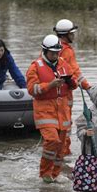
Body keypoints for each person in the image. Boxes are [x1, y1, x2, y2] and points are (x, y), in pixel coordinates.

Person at [26, 35, 77, 184]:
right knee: (52, 140)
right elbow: (31, 89)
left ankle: (55, 174)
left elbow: (72, 84)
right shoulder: (35, 67)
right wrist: (49, 85)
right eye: (52, 53)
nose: (55, 55)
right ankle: (45, 174)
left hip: (62, 111)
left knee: (61, 146)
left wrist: (71, 82)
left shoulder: (63, 64)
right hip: (45, 110)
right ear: (45, 51)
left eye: (57, 53)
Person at [54, 19, 92, 157]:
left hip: (54, 96)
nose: (73, 36)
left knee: (57, 127)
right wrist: (88, 87)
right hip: (64, 95)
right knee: (65, 126)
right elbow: (74, 71)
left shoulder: (52, 48)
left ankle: (60, 154)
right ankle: (63, 155)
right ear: (65, 35)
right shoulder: (67, 51)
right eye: (72, 33)